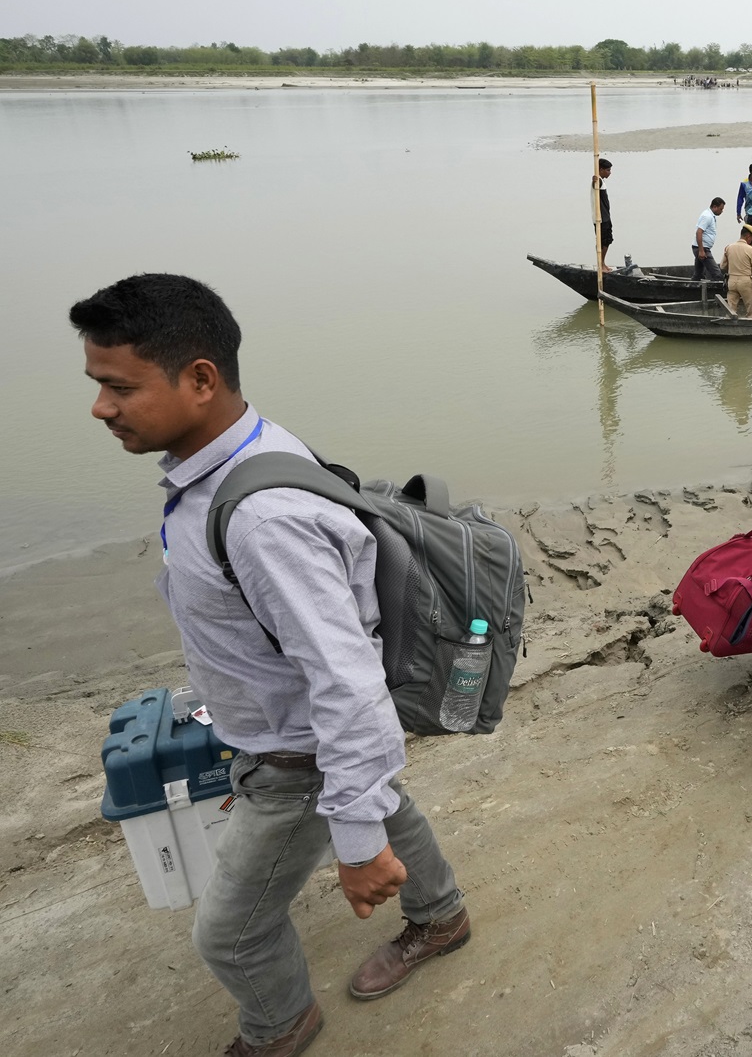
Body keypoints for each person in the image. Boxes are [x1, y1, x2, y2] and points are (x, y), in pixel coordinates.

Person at [74, 274, 469, 1057]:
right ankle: (443, 913)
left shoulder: (260, 519)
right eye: (96, 386)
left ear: (200, 379)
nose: (100, 408)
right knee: (386, 802)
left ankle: (279, 1025)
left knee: (230, 936)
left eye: (119, 387)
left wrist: (355, 853)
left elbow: (348, 685)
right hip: (292, 728)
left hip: (295, 756)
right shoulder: (249, 445)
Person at [592, 157, 614, 271]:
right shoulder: (598, 180)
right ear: (600, 170)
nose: (610, 173)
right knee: (602, 240)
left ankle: (602, 263)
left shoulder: (602, 180)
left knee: (608, 239)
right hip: (600, 218)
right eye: (608, 170)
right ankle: (601, 265)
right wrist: (594, 179)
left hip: (606, 216)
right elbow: (594, 183)